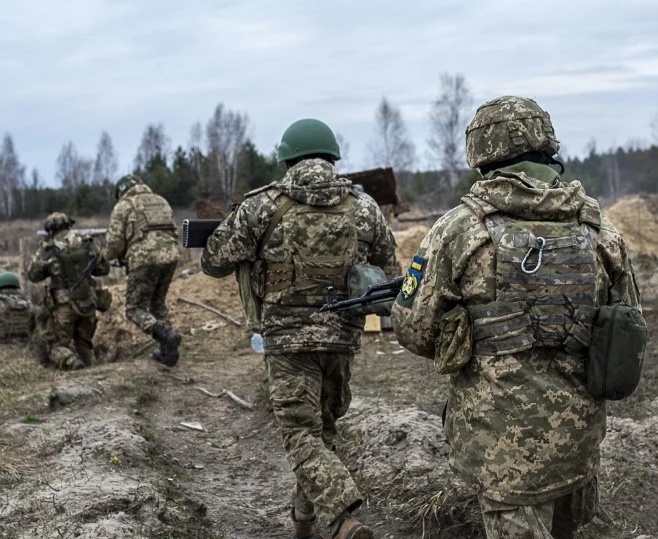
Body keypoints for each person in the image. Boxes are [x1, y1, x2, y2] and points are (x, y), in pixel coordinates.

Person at [392, 96, 642, 539]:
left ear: (482, 156)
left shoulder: (458, 230)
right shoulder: (602, 231)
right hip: (577, 440)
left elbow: (413, 329)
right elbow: (629, 329)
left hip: (499, 446)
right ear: (548, 148)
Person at [200, 118, 399, 539]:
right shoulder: (364, 208)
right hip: (343, 337)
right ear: (332, 158)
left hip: (288, 342)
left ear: (287, 159)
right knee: (322, 430)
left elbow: (214, 262)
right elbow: (389, 271)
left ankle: (343, 517)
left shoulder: (261, 206)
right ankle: (303, 521)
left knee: (299, 433)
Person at [103, 174, 183, 367]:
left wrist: (104, 256)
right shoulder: (161, 201)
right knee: (158, 304)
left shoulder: (123, 206)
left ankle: (166, 336)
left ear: (121, 192)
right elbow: (173, 231)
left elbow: (114, 246)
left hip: (144, 259)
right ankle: (168, 352)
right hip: (171, 256)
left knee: (134, 309)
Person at [27, 212, 110, 370]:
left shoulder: (48, 249)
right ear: (68, 225)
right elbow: (103, 269)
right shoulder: (86, 243)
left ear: (49, 229)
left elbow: (33, 276)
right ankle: (93, 373)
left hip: (63, 306)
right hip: (88, 302)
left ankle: (72, 363)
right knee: (84, 343)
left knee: (56, 346)